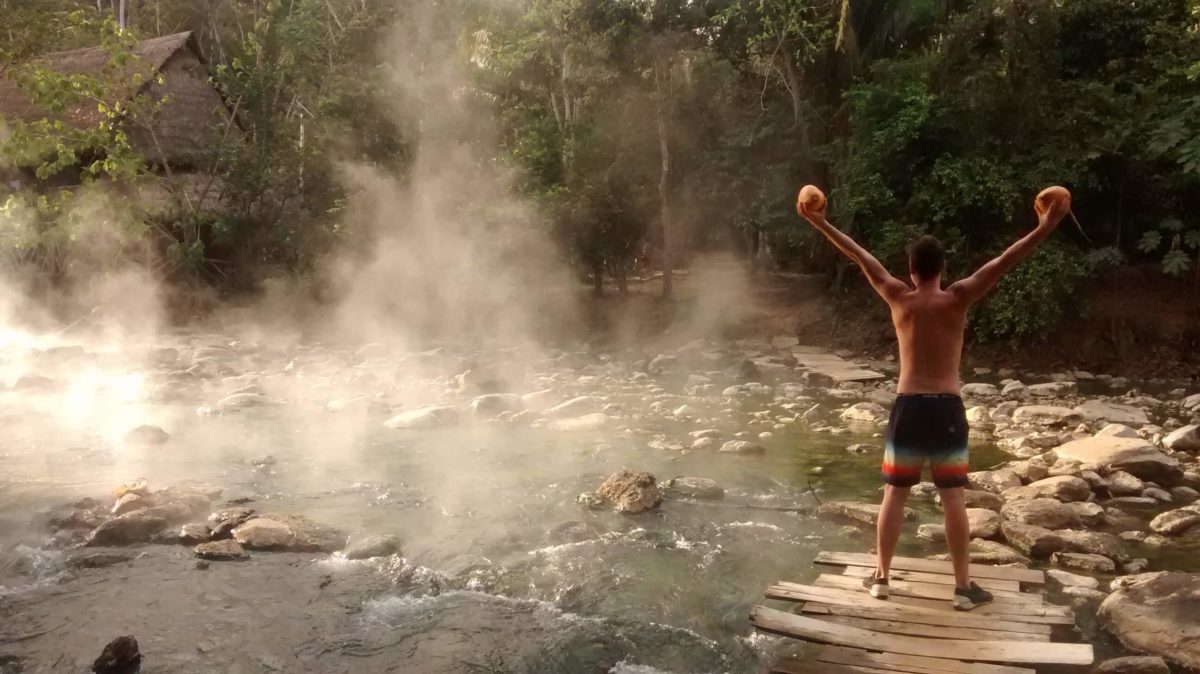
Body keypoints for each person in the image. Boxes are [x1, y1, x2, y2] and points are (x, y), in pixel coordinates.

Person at [796, 190, 1069, 610]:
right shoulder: (958, 297)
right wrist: (1044, 227)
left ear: (910, 269)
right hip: (945, 408)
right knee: (953, 498)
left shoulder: (897, 295)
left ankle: (882, 579)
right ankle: (962, 588)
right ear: (943, 268)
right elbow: (1005, 261)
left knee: (894, 494)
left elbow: (858, 255)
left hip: (908, 407)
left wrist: (818, 222)